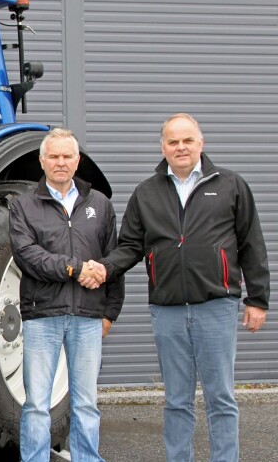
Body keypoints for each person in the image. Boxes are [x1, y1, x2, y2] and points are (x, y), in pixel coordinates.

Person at [97, 113, 270, 462]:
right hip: (168, 310)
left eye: (187, 140)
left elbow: (251, 243)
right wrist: (103, 268)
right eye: (173, 141)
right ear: (163, 147)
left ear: (201, 143)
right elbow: (129, 246)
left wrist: (258, 299)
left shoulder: (230, 185)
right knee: (177, 400)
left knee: (221, 398)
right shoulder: (146, 193)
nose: (181, 147)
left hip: (216, 306)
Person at [9, 128, 125, 462]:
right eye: (54, 156)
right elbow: (28, 256)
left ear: (77, 161)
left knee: (86, 402)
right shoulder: (23, 206)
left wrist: (110, 312)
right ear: (42, 161)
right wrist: (74, 268)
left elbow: (112, 260)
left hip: (88, 317)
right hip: (42, 316)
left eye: (67, 156)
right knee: (37, 404)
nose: (60, 162)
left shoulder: (100, 205)